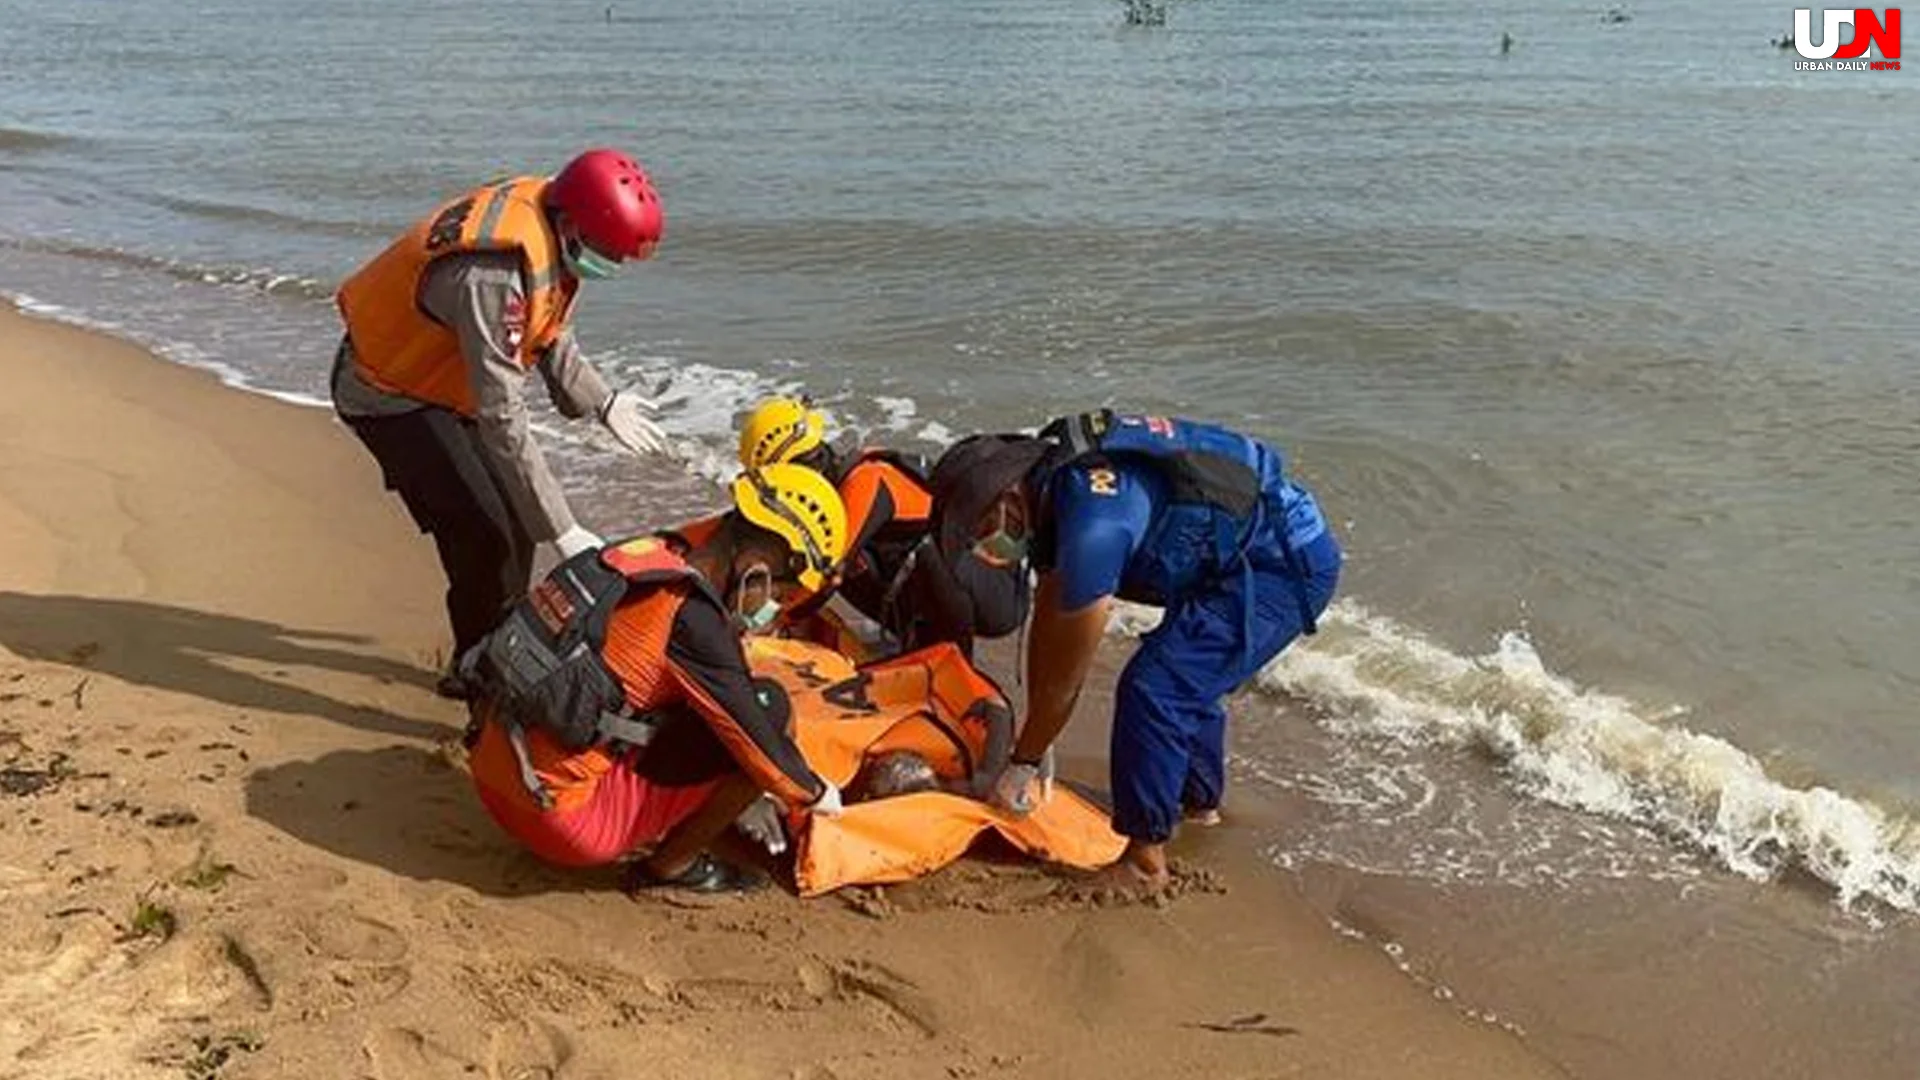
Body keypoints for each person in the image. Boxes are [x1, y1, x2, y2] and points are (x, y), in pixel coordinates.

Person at [929, 410, 1341, 893]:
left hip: (1282, 567)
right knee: (1186, 676)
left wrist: (1025, 758)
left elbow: (1068, 670)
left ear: (1005, 500)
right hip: (1225, 550)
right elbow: (1052, 615)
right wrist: (1030, 748)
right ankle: (1196, 805)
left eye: (977, 528)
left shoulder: (1093, 528)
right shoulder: (1054, 484)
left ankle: (1144, 863)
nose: (982, 545)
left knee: (1157, 689)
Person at [331, 148, 673, 699]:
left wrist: (603, 402)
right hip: (385, 391)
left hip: (441, 384)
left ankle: (501, 650)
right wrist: (564, 528)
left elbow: (548, 328)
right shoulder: (493, 276)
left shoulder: (550, 223)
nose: (611, 265)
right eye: (608, 253)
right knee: (481, 532)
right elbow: (502, 415)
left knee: (516, 522)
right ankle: (474, 670)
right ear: (571, 224)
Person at [462, 463, 851, 893]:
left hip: (490, 769)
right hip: (558, 820)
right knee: (770, 710)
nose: (774, 609)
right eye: (779, 593)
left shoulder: (638, 556)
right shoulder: (693, 618)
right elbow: (762, 748)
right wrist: (818, 794)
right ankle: (669, 867)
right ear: (756, 569)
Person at [736, 397, 1029, 659]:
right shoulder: (837, 489)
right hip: (948, 583)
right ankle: (916, 639)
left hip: (997, 596)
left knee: (842, 563)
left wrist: (762, 620)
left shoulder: (868, 481)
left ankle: (952, 663)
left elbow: (824, 578)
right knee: (848, 564)